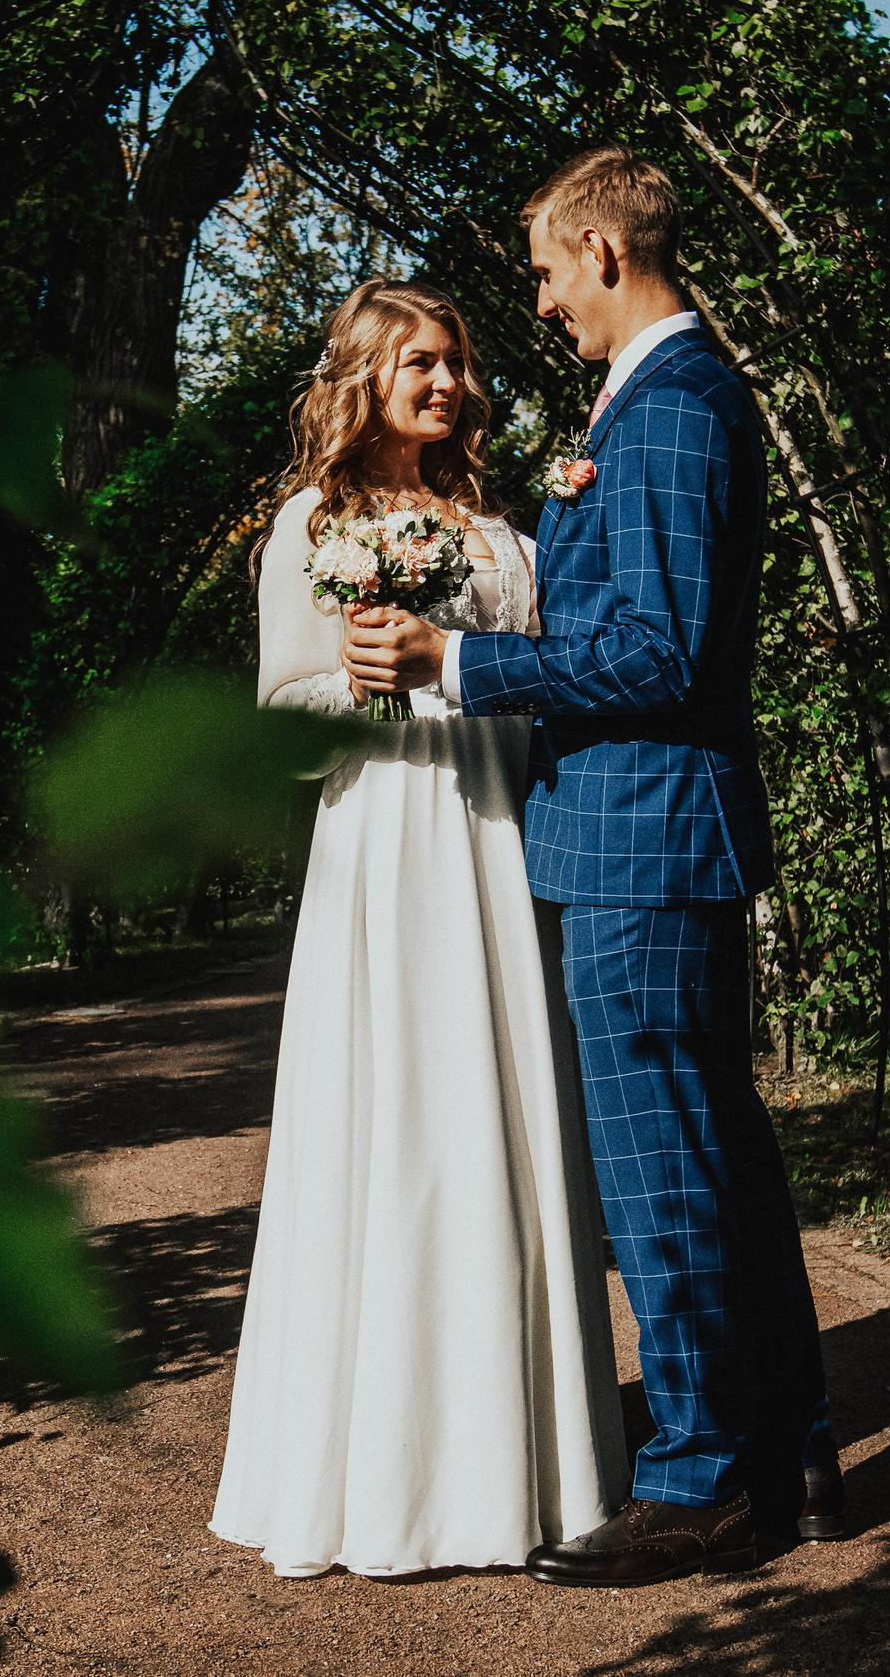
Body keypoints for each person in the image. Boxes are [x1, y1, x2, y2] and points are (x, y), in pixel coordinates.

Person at [344, 144, 842, 1588]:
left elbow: (665, 652)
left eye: (553, 272)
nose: (547, 304)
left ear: (603, 253)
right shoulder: (644, 404)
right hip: (634, 835)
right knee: (721, 1161)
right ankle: (790, 1447)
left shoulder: (678, 408)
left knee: (663, 1170)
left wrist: (459, 655)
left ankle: (696, 1484)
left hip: (643, 841)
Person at [209, 278, 629, 1580]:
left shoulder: (502, 528)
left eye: (455, 362)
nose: (445, 383)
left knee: (504, 1116)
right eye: (419, 364)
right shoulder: (310, 524)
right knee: (394, 1128)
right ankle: (380, 1472)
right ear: (365, 377)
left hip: (504, 831)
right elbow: (283, 702)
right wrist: (367, 678)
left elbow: (564, 667)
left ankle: (531, 1464)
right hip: (389, 837)